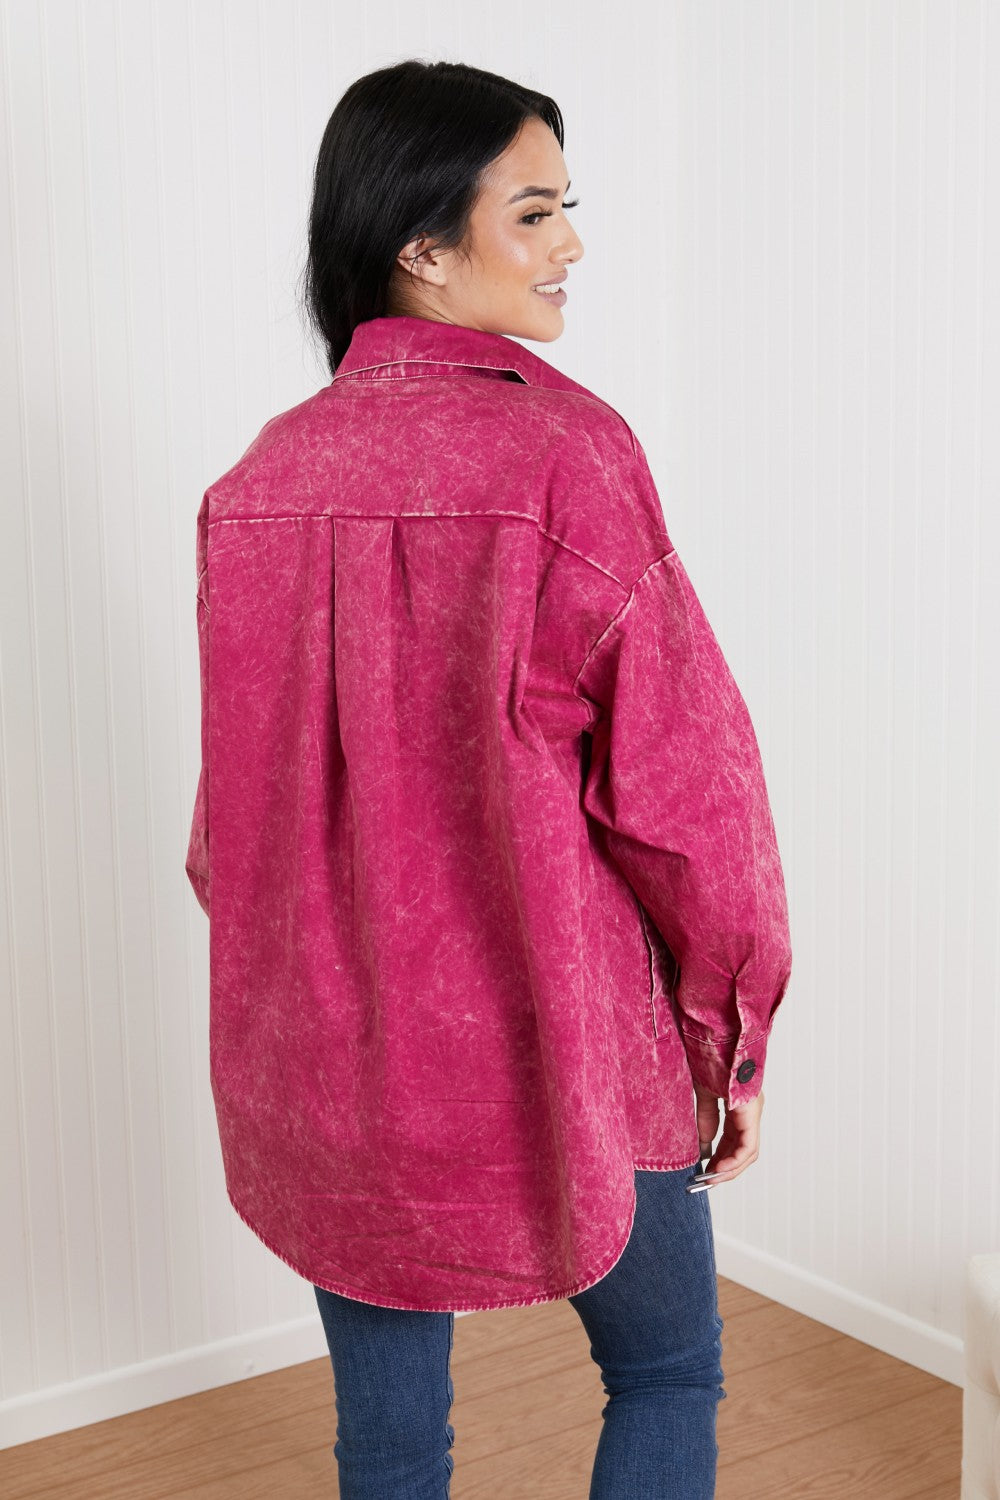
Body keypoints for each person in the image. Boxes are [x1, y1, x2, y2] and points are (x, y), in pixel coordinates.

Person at [185, 58, 792, 1500]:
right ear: (421, 244)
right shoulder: (570, 454)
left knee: (392, 1439)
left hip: (337, 1070)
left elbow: (229, 839)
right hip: (573, 1050)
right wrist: (731, 1032)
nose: (571, 242)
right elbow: (689, 803)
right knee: (667, 1372)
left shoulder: (256, 483)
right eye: (533, 212)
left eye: (566, 206)